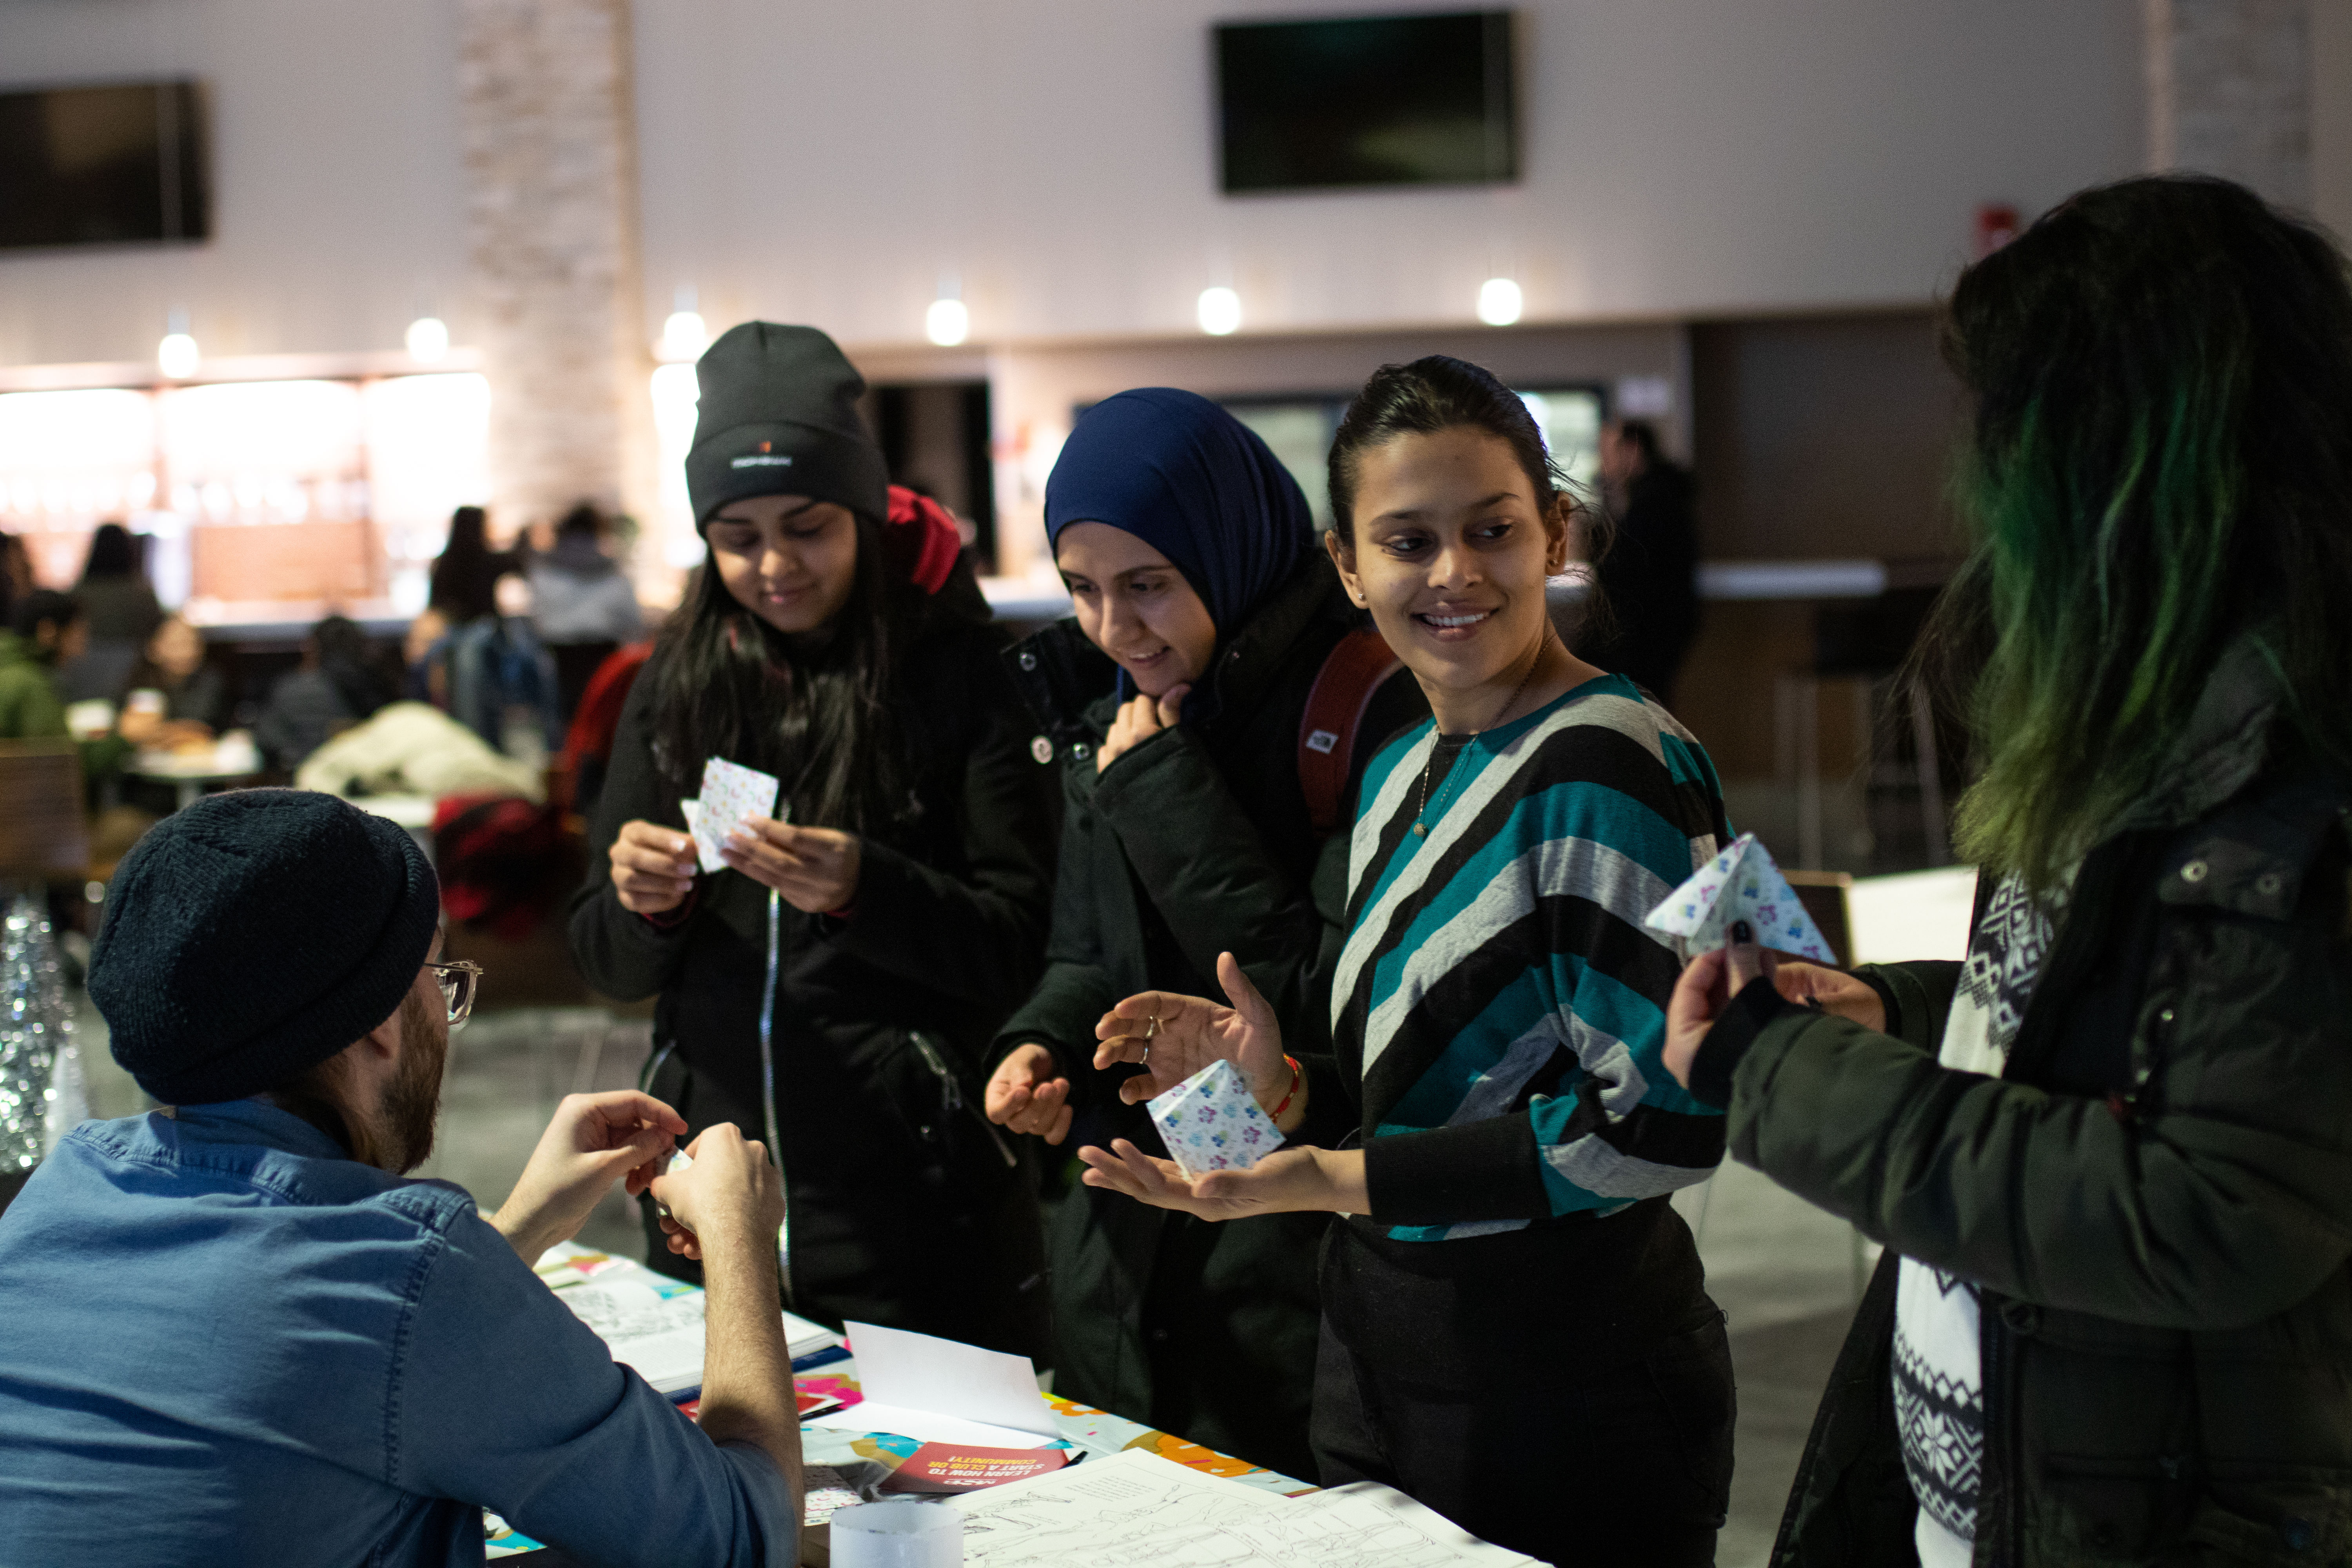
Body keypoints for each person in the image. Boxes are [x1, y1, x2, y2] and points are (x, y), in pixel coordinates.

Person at [1660, 175, 2352, 1568]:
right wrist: (1894, 1012)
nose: (1969, 480)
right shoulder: (2144, 721)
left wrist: (1779, 1074)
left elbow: (2205, 1204)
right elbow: (2092, 1021)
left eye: (1996, 427)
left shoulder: (2290, 776)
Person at [1074, 356, 1737, 1566]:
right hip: (1385, 1366)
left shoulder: (1611, 759)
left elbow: (1659, 1127)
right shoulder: (1399, 769)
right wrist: (1276, 1085)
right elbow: (1420, 1092)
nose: (1453, 574)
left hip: (1567, 1389)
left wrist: (1327, 1178)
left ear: (1555, 530)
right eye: (1407, 539)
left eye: (1490, 529)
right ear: (1345, 564)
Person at [0, 789, 800, 1565]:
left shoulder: (54, 1196)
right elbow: (737, 1537)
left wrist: (520, 1226)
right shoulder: (409, 1267)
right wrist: (737, 1231)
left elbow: (330, 1353)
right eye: (438, 971)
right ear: (381, 1022)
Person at [569, 322, 1056, 1356]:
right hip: (711, 1202)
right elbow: (605, 959)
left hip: (918, 1214)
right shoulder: (676, 682)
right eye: (738, 536)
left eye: (808, 527)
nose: (775, 565)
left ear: (864, 514)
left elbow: (1024, 943)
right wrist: (641, 907)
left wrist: (864, 889)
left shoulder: (957, 671)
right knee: (727, 1498)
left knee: (958, 1504)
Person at [980, 388, 1424, 1480]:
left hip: (1294, 1257)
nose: (1113, 629)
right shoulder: (1110, 712)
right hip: (1128, 1248)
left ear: (1229, 553)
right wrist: (1033, 1049)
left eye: (1148, 588)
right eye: (1082, 590)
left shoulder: (1370, 708)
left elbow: (1320, 1001)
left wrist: (1169, 800)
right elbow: (1086, 950)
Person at [1583, 418, 1700, 704]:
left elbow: (1624, 573)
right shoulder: (1660, 496)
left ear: (1632, 450)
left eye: (1608, 451)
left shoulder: (1655, 504)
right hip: (1653, 635)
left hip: (1646, 638)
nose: (1603, 461)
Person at [530, 500, 645, 720]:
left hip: (560, 652)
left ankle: (568, 753)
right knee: (602, 713)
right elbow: (632, 620)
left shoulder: (544, 573)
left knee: (566, 715)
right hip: (602, 649)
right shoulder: (613, 573)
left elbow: (539, 617)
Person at [254, 613, 397, 771]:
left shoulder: (292, 688)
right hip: (366, 780)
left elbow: (266, 742)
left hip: (302, 782)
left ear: (314, 648)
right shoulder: (380, 685)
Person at [119, 612, 229, 747]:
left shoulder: (210, 682)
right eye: (177, 644)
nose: (188, 652)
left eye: (193, 644)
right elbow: (123, 728)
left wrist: (153, 732)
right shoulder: (137, 681)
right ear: (152, 648)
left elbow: (203, 729)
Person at [428, 505, 515, 627]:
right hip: (482, 632)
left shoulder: (443, 562)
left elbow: (435, 604)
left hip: (450, 632)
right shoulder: (491, 561)